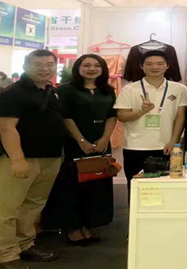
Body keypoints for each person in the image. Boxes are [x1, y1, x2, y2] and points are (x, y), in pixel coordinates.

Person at [0, 50, 64, 269]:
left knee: (32, 206)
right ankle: (4, 255)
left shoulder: (50, 91)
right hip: (21, 159)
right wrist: (18, 159)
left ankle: (24, 245)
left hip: (50, 158)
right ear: (25, 66)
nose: (45, 69)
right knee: (6, 209)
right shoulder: (13, 93)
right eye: (38, 65)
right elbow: (6, 128)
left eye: (49, 64)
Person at [42, 54, 117, 245]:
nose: (92, 69)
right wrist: (81, 140)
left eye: (96, 65)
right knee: (71, 187)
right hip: (74, 144)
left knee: (95, 186)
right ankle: (72, 228)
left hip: (100, 145)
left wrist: (105, 139)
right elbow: (65, 117)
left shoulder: (107, 90)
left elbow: (111, 115)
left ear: (103, 69)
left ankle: (87, 225)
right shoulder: (66, 90)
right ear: (78, 68)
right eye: (87, 65)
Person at [114, 50, 187, 197]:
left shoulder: (179, 89)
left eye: (159, 63)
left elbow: (180, 116)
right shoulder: (129, 89)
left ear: (167, 65)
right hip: (135, 146)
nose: (154, 67)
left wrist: (174, 141)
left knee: (167, 188)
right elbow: (121, 116)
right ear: (142, 66)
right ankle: (135, 212)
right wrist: (142, 111)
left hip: (166, 146)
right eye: (149, 64)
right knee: (136, 187)